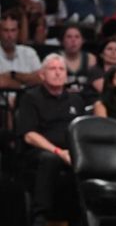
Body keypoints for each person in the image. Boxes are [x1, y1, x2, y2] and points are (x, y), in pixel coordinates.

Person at [16, 54, 85, 226]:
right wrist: (58, 151)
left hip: (71, 152)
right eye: (52, 69)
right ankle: (40, 216)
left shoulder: (76, 100)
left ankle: (85, 215)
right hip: (41, 152)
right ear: (42, 75)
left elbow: (82, 132)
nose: (57, 73)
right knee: (50, 159)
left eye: (61, 69)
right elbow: (29, 135)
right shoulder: (30, 98)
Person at [0, 12, 41, 89]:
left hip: (28, 100)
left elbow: (40, 78)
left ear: (18, 32)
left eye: (13, 30)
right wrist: (22, 84)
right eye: (6, 30)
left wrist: (13, 75)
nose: (9, 35)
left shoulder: (29, 53)